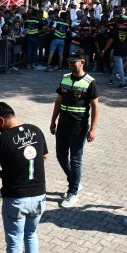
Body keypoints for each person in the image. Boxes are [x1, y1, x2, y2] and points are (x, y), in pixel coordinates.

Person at [0, 102, 48, 253]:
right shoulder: (36, 130)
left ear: (1, 120)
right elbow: (44, 156)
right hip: (39, 196)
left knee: (14, 241)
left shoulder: (0, 140)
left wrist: (3, 173)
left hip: (16, 198)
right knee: (31, 235)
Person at [49, 47, 99, 208]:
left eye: (73, 62)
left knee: (75, 159)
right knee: (61, 157)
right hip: (63, 124)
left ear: (82, 62)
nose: (70, 64)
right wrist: (53, 121)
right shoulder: (64, 78)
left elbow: (95, 107)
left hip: (79, 126)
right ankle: (75, 181)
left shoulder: (90, 82)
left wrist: (93, 129)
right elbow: (58, 101)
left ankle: (73, 192)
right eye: (69, 62)